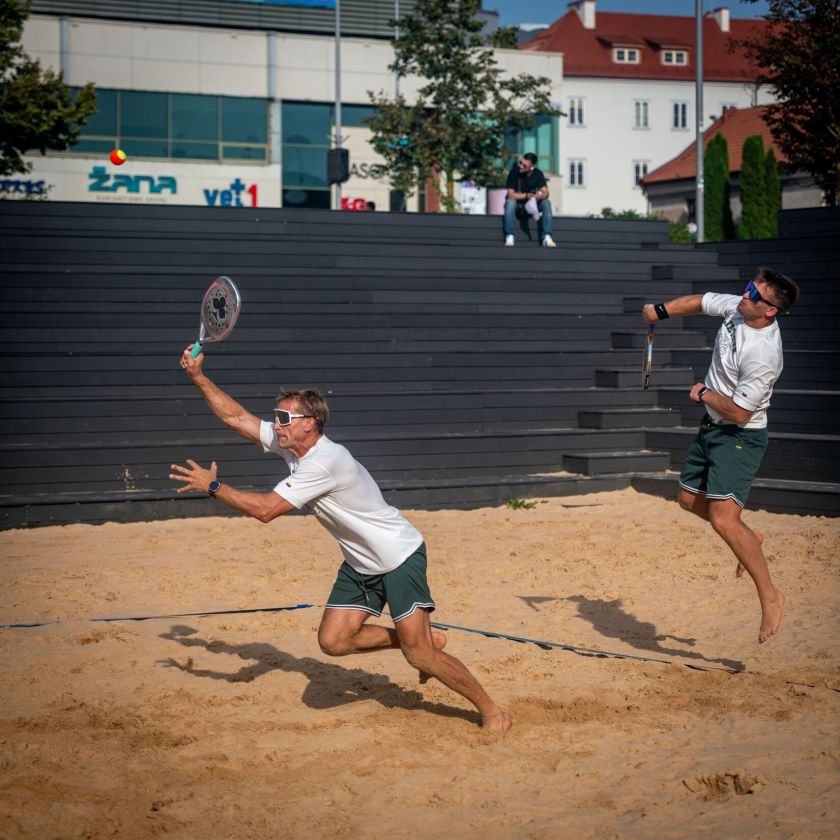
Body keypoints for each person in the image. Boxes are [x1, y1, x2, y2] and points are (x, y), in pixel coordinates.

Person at [169, 348, 512, 731]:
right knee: (333, 642)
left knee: (422, 657)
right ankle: (414, 638)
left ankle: (492, 710)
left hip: (398, 556)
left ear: (309, 424)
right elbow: (236, 417)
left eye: (284, 418)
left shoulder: (324, 462)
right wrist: (198, 377)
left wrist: (213, 486)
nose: (276, 424)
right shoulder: (294, 449)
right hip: (361, 562)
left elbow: (265, 510)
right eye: (276, 417)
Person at [642, 268, 800, 644]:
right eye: (748, 288)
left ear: (770, 312)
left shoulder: (763, 355)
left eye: (754, 294)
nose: (745, 295)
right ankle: (750, 537)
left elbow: (741, 413)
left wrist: (703, 394)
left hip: (739, 434)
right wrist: (660, 311)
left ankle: (771, 596)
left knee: (724, 520)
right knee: (686, 500)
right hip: (713, 426)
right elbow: (700, 301)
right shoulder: (739, 308)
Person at [503, 152, 555, 248]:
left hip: (531, 207)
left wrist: (539, 196)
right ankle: (509, 235)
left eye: (524, 165)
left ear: (532, 167)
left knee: (546, 202)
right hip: (517, 207)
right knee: (510, 202)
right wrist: (526, 196)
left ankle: (547, 237)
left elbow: (546, 192)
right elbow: (510, 194)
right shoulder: (514, 172)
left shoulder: (538, 173)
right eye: (520, 163)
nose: (520, 166)